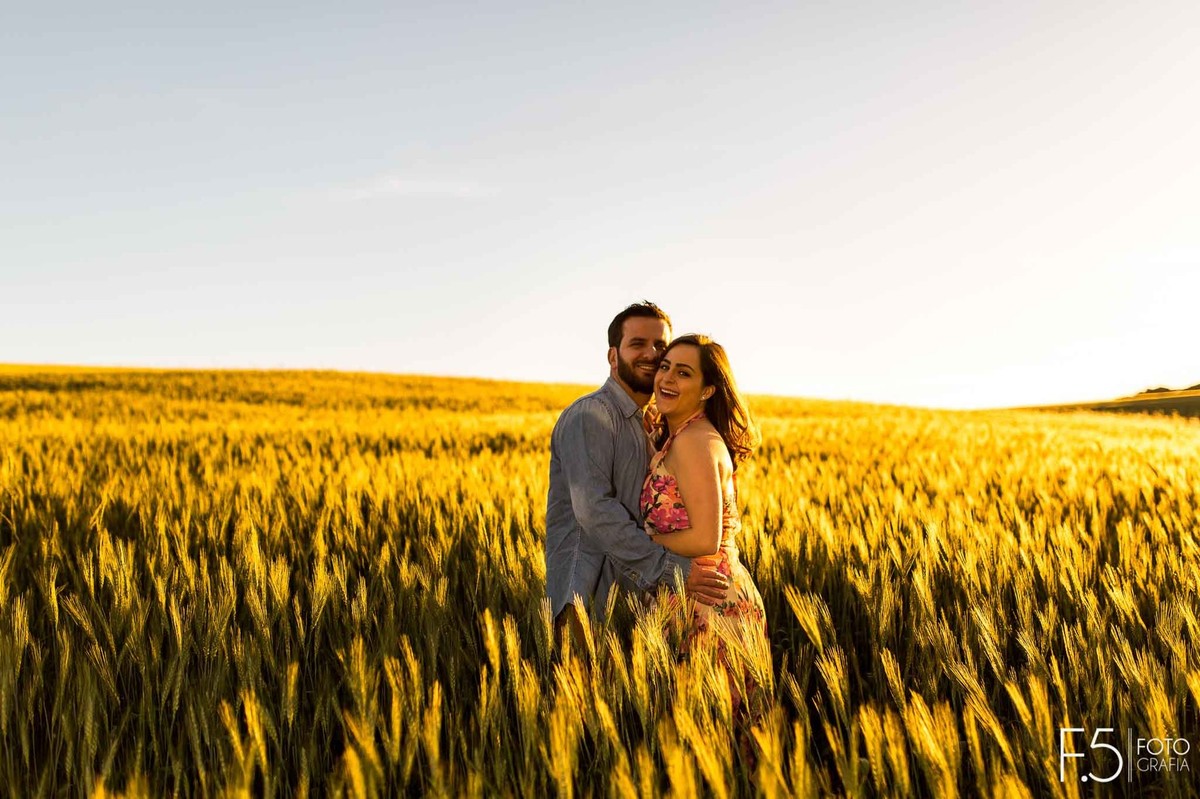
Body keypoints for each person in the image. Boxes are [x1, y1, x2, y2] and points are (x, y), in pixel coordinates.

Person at [545, 303, 731, 645]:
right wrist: (670, 569)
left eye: (660, 346)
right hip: (587, 601)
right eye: (637, 344)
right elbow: (595, 512)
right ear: (612, 356)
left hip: (638, 606)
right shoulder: (592, 415)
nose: (651, 354)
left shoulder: (653, 426)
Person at [639, 334, 768, 687]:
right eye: (665, 367)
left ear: (707, 390)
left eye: (683, 373)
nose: (666, 378)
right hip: (694, 592)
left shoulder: (695, 442)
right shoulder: (686, 437)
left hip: (708, 600)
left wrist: (642, 540)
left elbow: (705, 538)